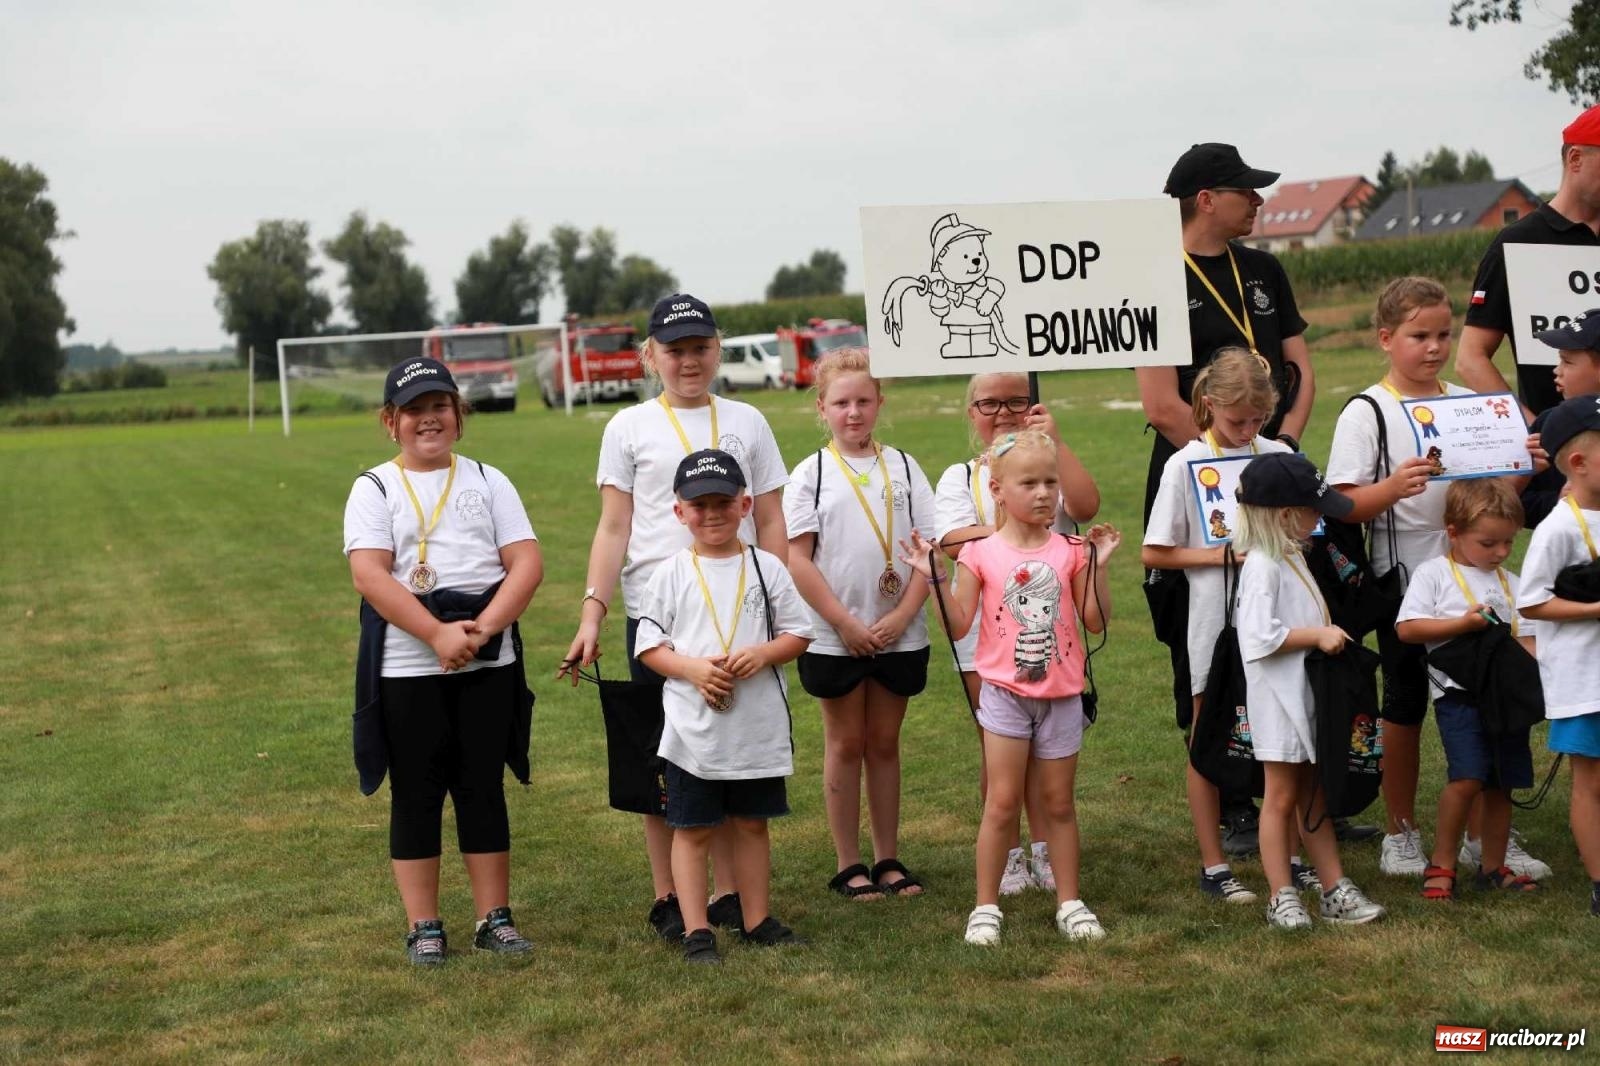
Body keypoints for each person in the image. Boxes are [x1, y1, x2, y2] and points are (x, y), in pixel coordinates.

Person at [557, 293, 790, 944]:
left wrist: (771, 603)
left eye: (700, 348)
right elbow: (614, 526)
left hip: (740, 612)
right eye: (674, 350)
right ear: (651, 355)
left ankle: (726, 894)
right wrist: (592, 613)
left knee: (729, 750)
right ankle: (668, 894)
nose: (689, 361)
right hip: (663, 615)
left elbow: (770, 517)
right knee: (666, 752)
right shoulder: (628, 428)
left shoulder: (748, 420)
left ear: (717, 349)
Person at [1326, 277, 1548, 881]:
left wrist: (1525, 469)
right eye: (1418, 335)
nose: (1433, 347)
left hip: (1479, 578)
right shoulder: (1367, 409)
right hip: (1404, 578)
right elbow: (1342, 506)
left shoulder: (1466, 404)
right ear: (1385, 337)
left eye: (1444, 334)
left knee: (1488, 696)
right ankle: (1402, 830)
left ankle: (1486, 834)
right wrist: (1391, 489)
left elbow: (1495, 505)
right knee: (1405, 704)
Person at [1139, 142, 1319, 857]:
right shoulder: (1157, 274)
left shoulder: (1265, 268)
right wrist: (1228, 457)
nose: (1261, 202)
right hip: (1200, 469)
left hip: (1274, 469)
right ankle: (1231, 798)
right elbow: (1160, 401)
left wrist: (1281, 450)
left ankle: (1297, 780)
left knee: (1286, 613)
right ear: (1206, 197)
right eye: (1249, 190)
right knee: (1210, 634)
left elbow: (1299, 364)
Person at [344, 357, 543, 965]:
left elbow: (526, 563)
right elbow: (369, 574)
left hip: (487, 659)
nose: (428, 420)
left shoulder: (488, 479)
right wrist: (435, 634)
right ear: (390, 422)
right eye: (414, 411)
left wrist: (480, 631)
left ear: (459, 416)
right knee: (417, 793)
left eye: (440, 407)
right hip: (409, 667)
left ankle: (494, 917)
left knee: (482, 787)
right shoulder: (373, 486)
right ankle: (424, 923)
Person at [901, 430, 1120, 946]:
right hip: (1002, 698)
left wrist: (1099, 569)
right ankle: (985, 906)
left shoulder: (1071, 550)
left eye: (1051, 482)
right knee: (1001, 803)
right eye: (1030, 483)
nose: (1044, 493)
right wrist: (933, 575)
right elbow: (958, 626)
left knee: (1060, 804)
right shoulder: (978, 554)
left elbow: (1094, 620)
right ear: (997, 490)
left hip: (1062, 696)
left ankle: (1070, 900)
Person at [635, 450, 813, 963]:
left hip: (755, 729)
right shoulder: (669, 572)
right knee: (692, 830)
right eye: (699, 505)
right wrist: (691, 669)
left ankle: (756, 919)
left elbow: (800, 631)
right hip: (694, 735)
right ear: (679, 512)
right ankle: (697, 931)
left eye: (722, 503)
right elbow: (649, 646)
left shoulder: (767, 566)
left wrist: (761, 654)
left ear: (745, 505)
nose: (711, 514)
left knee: (753, 824)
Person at [933, 372, 1099, 895]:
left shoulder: (1050, 470)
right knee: (999, 749)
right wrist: (1020, 536)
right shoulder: (960, 476)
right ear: (971, 411)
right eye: (989, 403)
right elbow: (953, 539)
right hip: (983, 636)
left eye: (1016, 401)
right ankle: (1006, 854)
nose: (1003, 411)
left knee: (1048, 756)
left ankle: (1047, 849)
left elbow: (1087, 506)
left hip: (1051, 632)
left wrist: (1057, 443)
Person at [784, 349, 937, 899]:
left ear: (880, 403)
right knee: (846, 743)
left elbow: (929, 550)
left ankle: (888, 857)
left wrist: (901, 615)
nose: (854, 413)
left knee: (885, 743)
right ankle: (849, 862)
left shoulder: (905, 466)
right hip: (834, 635)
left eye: (864, 401)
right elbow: (797, 558)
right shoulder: (810, 474)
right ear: (821, 407)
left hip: (900, 631)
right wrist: (844, 622)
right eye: (842, 403)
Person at [1141, 349, 1292, 904]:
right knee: (1208, 733)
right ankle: (1214, 864)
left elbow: (1311, 528)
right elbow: (1155, 553)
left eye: (1257, 420)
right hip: (1214, 622)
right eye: (1237, 421)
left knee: (1285, 732)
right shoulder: (1185, 463)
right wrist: (1225, 558)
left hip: (1277, 619)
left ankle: (1290, 851)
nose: (1248, 430)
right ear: (1209, 406)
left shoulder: (1278, 456)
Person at [1231, 453, 1387, 929]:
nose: (1321, 517)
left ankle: (1334, 887)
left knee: (1313, 796)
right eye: (1313, 509)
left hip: (1306, 695)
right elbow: (1257, 637)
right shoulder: (1262, 566)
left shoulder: (1292, 556)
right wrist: (1318, 635)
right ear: (1285, 514)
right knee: (1280, 797)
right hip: (1278, 701)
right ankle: (1282, 894)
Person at [1396, 479, 1541, 900]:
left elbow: (1529, 641)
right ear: (1453, 532)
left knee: (1501, 783)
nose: (1499, 552)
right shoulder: (1435, 575)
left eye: (1508, 542)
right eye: (1488, 542)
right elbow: (1408, 629)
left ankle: (1493, 865)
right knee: (1467, 777)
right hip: (1459, 696)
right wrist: (1463, 623)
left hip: (1505, 697)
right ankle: (1442, 862)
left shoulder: (1513, 583)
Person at [1455, 105, 1600, 420]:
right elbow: (1470, 358)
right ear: (1575, 159)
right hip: (1559, 455)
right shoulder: (1518, 243)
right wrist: (1532, 428)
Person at [1517, 394, 1600, 917]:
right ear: (1578, 464)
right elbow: (1532, 601)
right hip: (1583, 678)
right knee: (1589, 781)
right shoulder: (1559, 527)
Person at [1522, 314, 1600, 528]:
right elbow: (1517, 504)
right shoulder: (1552, 424)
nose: (1557, 370)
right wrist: (1558, 501)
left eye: (1567, 361)